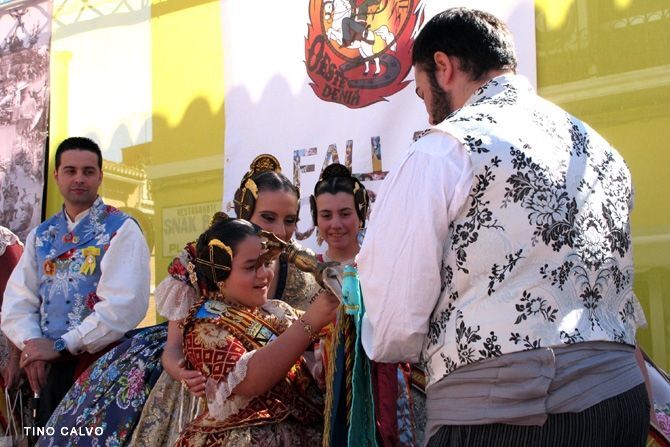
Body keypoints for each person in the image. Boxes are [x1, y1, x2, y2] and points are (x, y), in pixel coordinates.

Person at [357, 7, 650, 447]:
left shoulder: (444, 149)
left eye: (422, 94)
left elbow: (394, 323)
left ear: (443, 67)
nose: (429, 115)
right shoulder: (600, 148)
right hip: (622, 399)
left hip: (510, 413)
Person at [37, 154, 323, 446]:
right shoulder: (204, 258)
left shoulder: (303, 270)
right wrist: (184, 372)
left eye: (289, 220)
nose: (279, 231)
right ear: (244, 210)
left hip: (282, 391)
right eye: (268, 218)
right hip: (204, 379)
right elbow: (173, 349)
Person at [1, 136, 151, 428]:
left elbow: (122, 307)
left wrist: (61, 345)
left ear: (100, 177)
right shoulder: (41, 235)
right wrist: (33, 345)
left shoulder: (121, 229)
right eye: (70, 171)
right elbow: (18, 300)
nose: (79, 179)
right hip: (47, 371)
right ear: (56, 176)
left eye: (88, 171)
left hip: (101, 365)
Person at [174, 216, 339, 446]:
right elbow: (251, 379)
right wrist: (311, 321)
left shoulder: (277, 310)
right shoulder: (204, 326)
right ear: (220, 273)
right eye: (251, 267)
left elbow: (323, 344)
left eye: (266, 263)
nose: (264, 274)